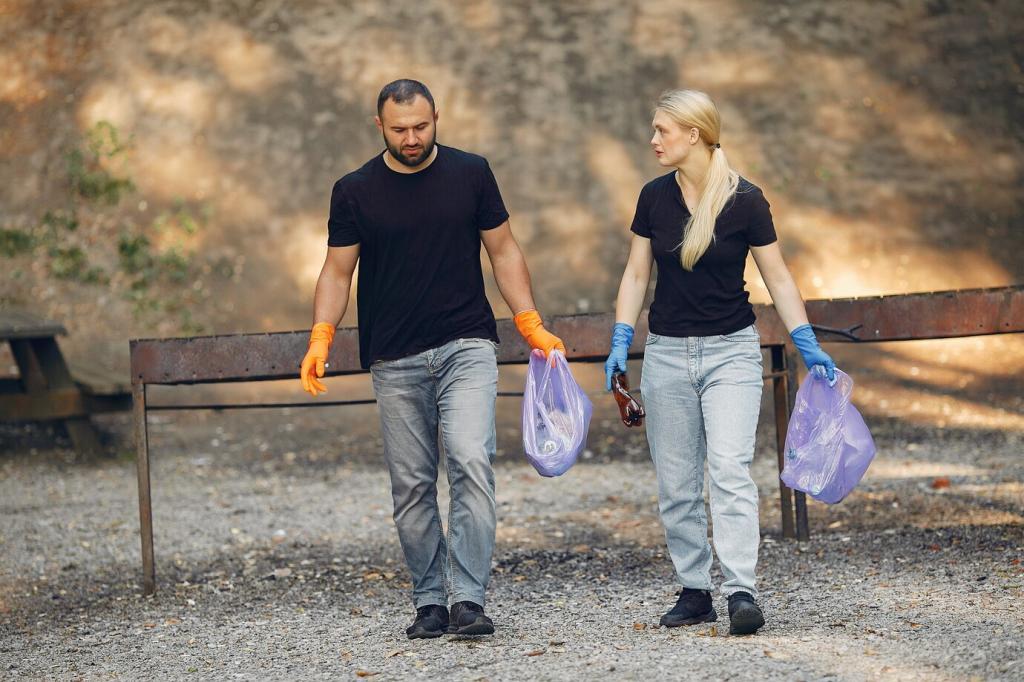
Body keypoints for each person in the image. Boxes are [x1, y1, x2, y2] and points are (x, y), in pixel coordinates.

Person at [299, 79, 565, 640]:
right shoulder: (354, 190)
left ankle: (468, 599)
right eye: (400, 129)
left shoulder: (471, 173)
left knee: (470, 460)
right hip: (394, 356)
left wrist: (529, 323)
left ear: (437, 117)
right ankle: (429, 602)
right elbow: (337, 271)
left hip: (466, 344)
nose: (412, 138)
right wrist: (321, 335)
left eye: (421, 126)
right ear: (380, 126)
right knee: (413, 485)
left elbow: (503, 250)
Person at [604, 89, 835, 636]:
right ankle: (694, 591)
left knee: (729, 470)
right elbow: (636, 274)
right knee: (677, 484)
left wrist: (805, 339)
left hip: (731, 352)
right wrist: (621, 338)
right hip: (666, 354)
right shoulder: (653, 198)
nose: (653, 139)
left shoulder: (746, 200)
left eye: (662, 130)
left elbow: (778, 276)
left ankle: (740, 592)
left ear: (694, 135)